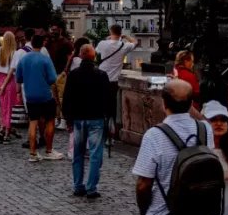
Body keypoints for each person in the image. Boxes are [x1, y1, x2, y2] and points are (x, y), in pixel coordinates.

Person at [132, 79, 216, 215]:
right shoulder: (206, 130)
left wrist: (146, 213)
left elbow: (144, 184)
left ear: (164, 103)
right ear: (191, 104)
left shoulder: (154, 135)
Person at [62, 44, 110, 198]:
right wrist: (108, 118)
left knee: (78, 153)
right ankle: (91, 187)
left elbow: (67, 99)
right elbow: (107, 101)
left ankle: (77, 185)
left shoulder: (74, 75)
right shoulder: (101, 75)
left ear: (81, 56)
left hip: (77, 119)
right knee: (95, 154)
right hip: (96, 118)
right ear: (93, 56)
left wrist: (68, 119)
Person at [16, 34, 62, 162]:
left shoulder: (24, 59)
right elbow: (53, 78)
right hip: (45, 95)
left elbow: (18, 78)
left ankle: (33, 153)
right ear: (42, 44)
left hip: (30, 95)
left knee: (33, 122)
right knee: (49, 121)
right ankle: (49, 150)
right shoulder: (45, 59)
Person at [96, 24, 137, 141]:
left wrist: (109, 38)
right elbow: (135, 42)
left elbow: (97, 52)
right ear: (120, 33)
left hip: (101, 79)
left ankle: (101, 132)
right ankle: (111, 132)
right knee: (111, 108)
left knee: (101, 106)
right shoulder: (124, 45)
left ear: (110, 31)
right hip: (113, 81)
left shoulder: (103, 44)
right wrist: (126, 36)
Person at [0, 31, 18, 142]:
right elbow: (11, 71)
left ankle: (3, 128)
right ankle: (6, 131)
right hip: (9, 81)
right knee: (8, 107)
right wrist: (4, 85)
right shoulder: (14, 53)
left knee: (3, 107)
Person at [174, 50, 201, 117]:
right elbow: (196, 94)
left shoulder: (173, 72)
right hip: (189, 110)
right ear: (186, 61)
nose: (192, 64)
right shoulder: (190, 76)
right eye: (191, 61)